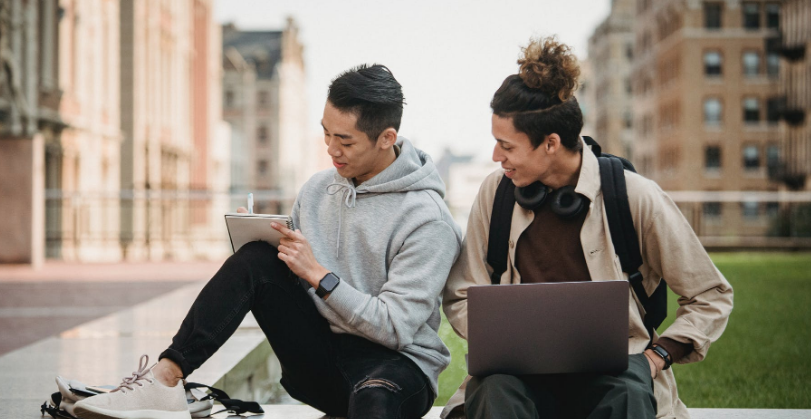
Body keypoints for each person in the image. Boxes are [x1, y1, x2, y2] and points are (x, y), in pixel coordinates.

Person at [75, 64, 462, 419]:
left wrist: (320, 276)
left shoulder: (427, 219)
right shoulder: (317, 190)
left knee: (374, 398)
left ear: (386, 138)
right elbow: (285, 275)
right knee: (257, 258)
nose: (331, 149)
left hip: (396, 371)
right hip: (322, 360)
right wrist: (263, 235)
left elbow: (394, 328)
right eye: (325, 133)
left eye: (344, 140)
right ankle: (163, 378)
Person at [440, 37, 734, 419]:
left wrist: (658, 356)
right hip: (518, 373)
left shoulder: (636, 197)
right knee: (493, 390)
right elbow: (462, 293)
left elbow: (711, 295)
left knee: (628, 396)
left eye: (506, 146)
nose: (497, 157)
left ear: (550, 143)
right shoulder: (496, 193)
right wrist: (501, 341)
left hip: (617, 371)